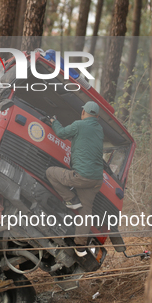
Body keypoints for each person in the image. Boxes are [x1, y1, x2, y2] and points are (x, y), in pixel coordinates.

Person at [45, 101, 104, 256]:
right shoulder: (99, 129)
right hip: (97, 179)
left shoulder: (79, 125)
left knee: (51, 172)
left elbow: (62, 133)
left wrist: (53, 122)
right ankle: (80, 247)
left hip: (82, 176)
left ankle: (71, 199)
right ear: (97, 116)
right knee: (86, 212)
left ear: (83, 112)